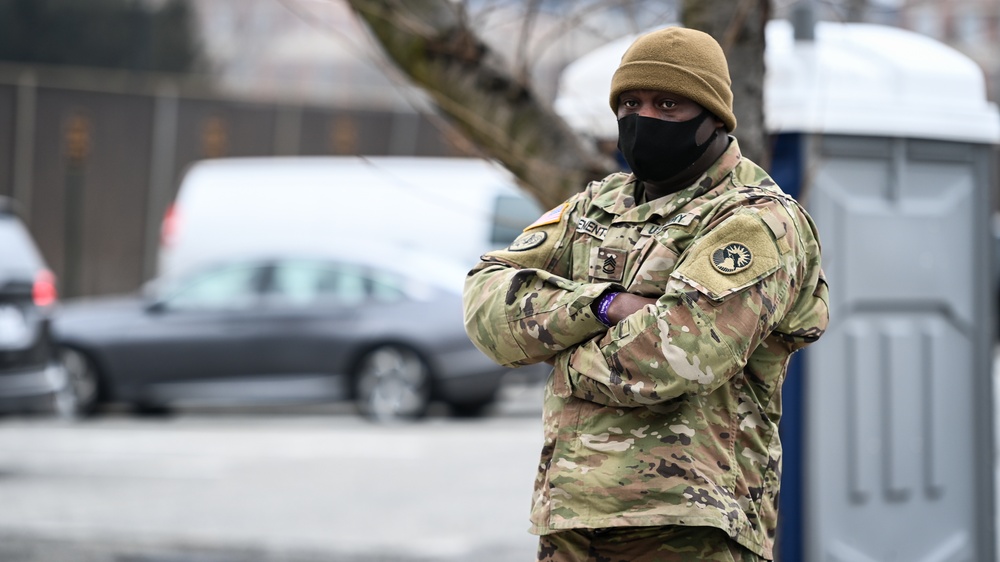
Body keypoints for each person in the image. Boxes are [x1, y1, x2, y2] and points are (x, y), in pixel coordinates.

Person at [462, 26, 829, 562]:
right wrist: (601, 305)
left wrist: (560, 360)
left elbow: (680, 353)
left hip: (690, 525)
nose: (644, 119)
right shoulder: (594, 207)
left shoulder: (756, 221)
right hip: (571, 518)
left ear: (713, 118)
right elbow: (486, 303)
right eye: (630, 103)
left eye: (668, 104)